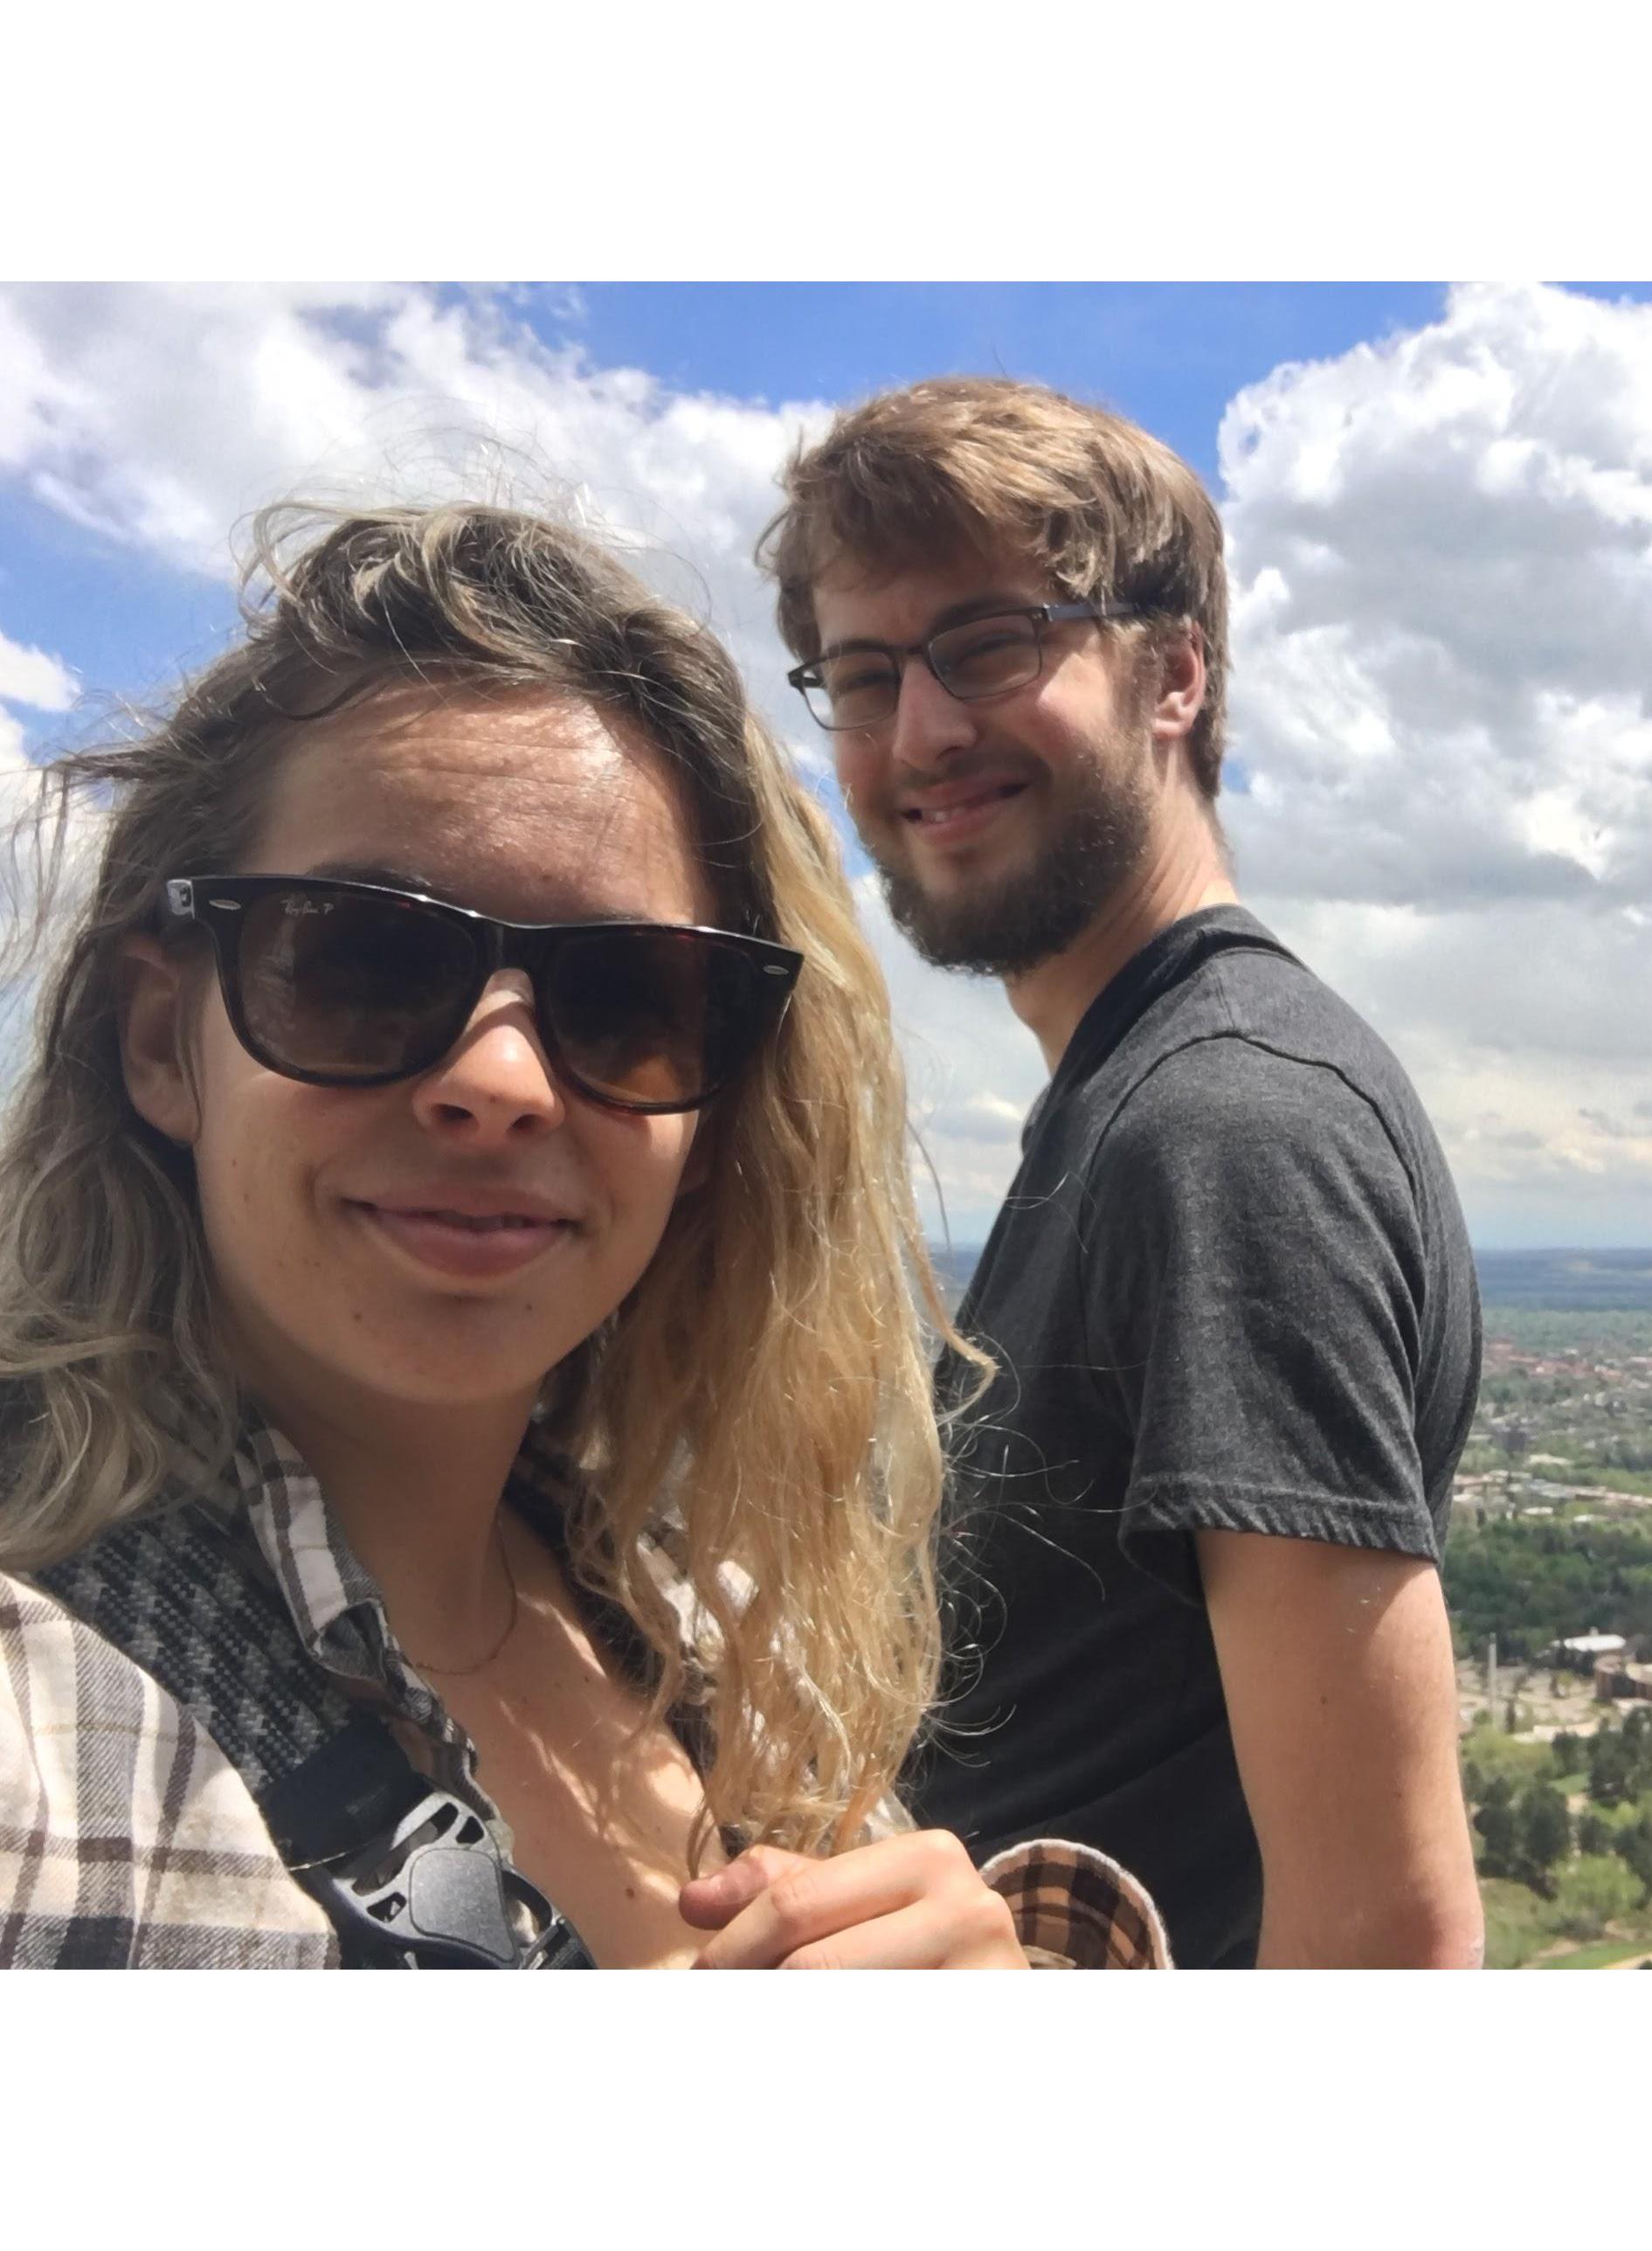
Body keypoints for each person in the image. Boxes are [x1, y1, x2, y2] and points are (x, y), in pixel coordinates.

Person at [0, 500, 1165, 1969]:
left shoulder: (717, 1643)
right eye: (361, 958)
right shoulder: (50, 1749)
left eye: (625, 1000)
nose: (498, 1084)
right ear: (166, 1038)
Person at [761, 378, 1486, 1968]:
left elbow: (1392, 1936)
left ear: (1172, 674)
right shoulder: (1131, 1102)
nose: (921, 733)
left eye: (991, 646)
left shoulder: (1225, 1128)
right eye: (867, 676)